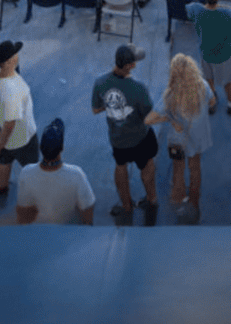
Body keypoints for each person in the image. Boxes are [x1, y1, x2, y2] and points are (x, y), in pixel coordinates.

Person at [91, 43, 159, 225]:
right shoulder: (139, 88)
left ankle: (126, 206)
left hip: (117, 139)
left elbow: (96, 109)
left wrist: (112, 106)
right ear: (131, 65)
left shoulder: (100, 83)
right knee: (146, 167)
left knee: (120, 165)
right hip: (140, 138)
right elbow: (149, 117)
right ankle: (152, 200)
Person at [144, 53, 216, 223]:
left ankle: (178, 195)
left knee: (178, 167)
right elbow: (212, 103)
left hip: (179, 138)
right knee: (195, 167)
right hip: (199, 136)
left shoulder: (170, 95)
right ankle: (194, 202)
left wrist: (170, 118)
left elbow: (148, 120)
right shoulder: (203, 86)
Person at [0, 40, 39, 196]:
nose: (17, 55)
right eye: (15, 53)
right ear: (9, 61)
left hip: (0, 136)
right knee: (32, 170)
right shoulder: (13, 89)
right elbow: (10, 124)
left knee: (4, 162)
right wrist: (2, 143)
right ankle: (34, 196)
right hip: (23, 140)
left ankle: (2, 187)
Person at [16, 119, 95, 225]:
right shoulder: (76, 174)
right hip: (68, 233)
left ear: (40, 147)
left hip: (38, 231)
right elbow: (87, 209)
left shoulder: (26, 172)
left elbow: (23, 213)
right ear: (61, 148)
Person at [186, 0, 231, 112]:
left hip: (206, 53)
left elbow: (189, 11)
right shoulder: (228, 12)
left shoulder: (197, 10)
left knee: (208, 78)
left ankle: (212, 103)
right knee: (229, 80)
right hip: (224, 54)